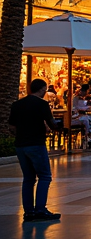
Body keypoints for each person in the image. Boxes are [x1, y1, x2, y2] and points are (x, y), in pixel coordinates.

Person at [9, 79, 61, 222]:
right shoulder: (42, 104)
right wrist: (56, 128)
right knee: (44, 176)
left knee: (28, 178)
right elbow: (52, 123)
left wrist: (21, 135)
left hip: (20, 145)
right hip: (36, 144)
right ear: (43, 89)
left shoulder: (17, 104)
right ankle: (40, 210)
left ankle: (28, 211)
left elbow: (12, 127)